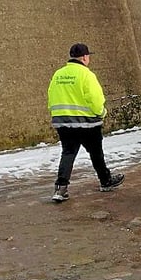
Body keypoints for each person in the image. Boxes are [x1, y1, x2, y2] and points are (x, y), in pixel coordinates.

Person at [47, 43, 125, 202]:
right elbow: (95, 100)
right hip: (87, 124)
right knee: (96, 153)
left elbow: (51, 96)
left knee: (68, 153)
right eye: (88, 55)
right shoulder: (86, 75)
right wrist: (101, 112)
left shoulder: (58, 74)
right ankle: (105, 181)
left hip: (63, 123)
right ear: (84, 57)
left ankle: (60, 189)